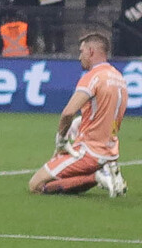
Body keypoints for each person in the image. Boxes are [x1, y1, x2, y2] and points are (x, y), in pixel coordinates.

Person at [28, 32, 128, 197]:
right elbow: (107, 114)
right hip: (110, 151)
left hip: (89, 151)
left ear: (91, 51)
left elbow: (67, 112)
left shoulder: (93, 77)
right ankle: (104, 171)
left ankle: (98, 176)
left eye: (81, 52)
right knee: (64, 179)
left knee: (36, 185)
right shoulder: (119, 78)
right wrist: (80, 123)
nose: (79, 57)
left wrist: (61, 140)